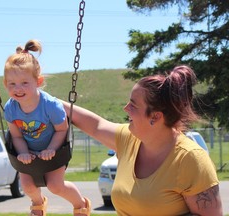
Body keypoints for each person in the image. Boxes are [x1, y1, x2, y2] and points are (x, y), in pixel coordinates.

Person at [62, 65, 223, 216]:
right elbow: (96, 125)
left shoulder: (190, 159)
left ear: (155, 116)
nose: (126, 108)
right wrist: (43, 100)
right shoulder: (129, 139)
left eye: (133, 105)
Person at [3, 39, 91, 216]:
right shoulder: (11, 108)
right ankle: (38, 204)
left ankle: (80, 205)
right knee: (27, 186)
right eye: (12, 84)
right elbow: (16, 136)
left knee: (55, 186)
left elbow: (62, 130)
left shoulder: (50, 105)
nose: (18, 89)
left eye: (24, 83)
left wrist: (51, 149)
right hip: (28, 152)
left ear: (38, 81)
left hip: (55, 151)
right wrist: (23, 153)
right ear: (6, 84)